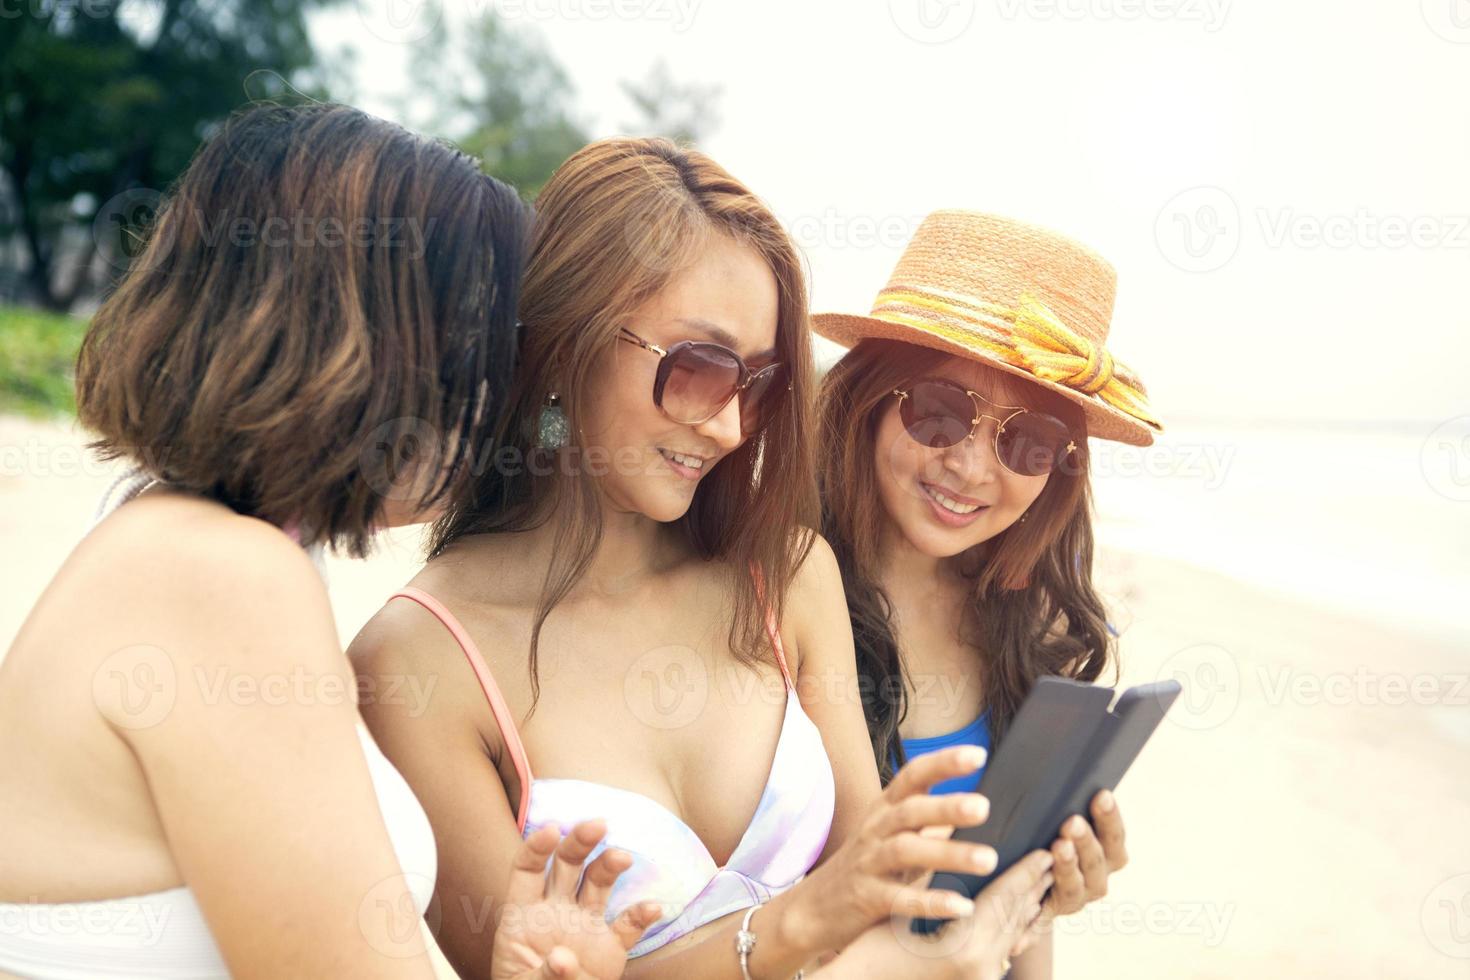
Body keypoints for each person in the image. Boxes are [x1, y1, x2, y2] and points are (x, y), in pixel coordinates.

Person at [352, 143, 1067, 980]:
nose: (730, 429)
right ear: (563, 339)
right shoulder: (417, 662)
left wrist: (1036, 887)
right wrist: (800, 927)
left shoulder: (787, 575)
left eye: (757, 383)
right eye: (697, 369)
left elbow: (889, 911)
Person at [0, 101, 562, 978]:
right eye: (487, 348)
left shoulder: (169, 528)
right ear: (373, 342)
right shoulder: (223, 575)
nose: (502, 399)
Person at [813, 210, 1165, 976]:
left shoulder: (1018, 629)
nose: (973, 469)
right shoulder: (781, 595)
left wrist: (1041, 891)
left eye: (1028, 439)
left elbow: (1018, 940)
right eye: (940, 412)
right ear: (868, 397)